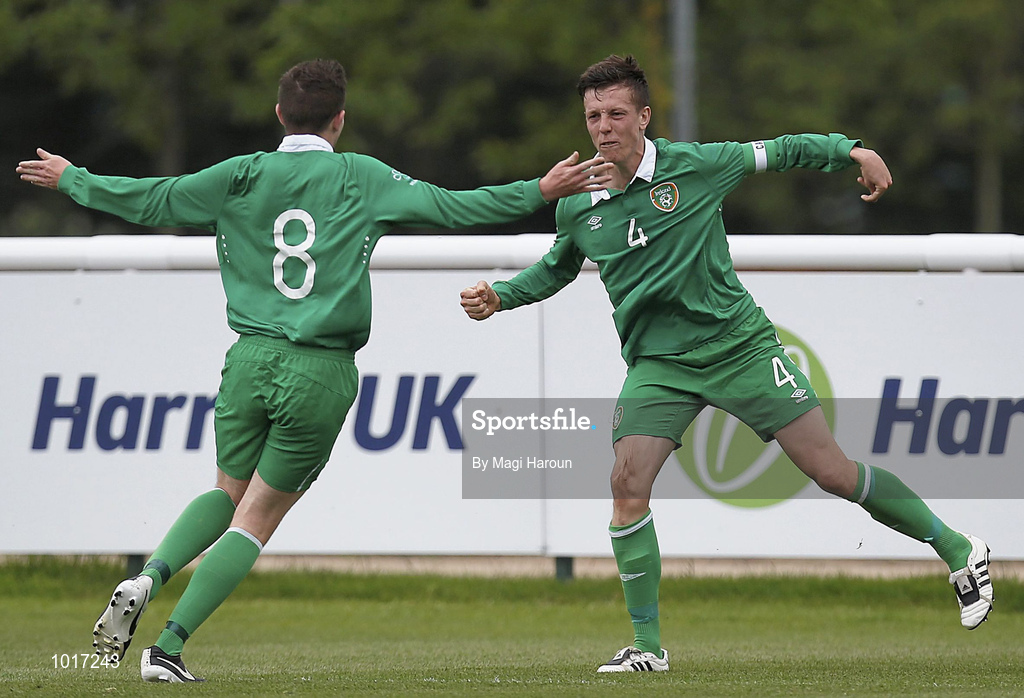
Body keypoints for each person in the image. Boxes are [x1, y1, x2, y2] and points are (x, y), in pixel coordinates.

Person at [17, 58, 612, 683]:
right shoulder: (360, 176)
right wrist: (539, 192)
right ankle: (167, 647)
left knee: (227, 490)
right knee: (258, 516)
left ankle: (147, 576)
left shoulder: (240, 174)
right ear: (341, 120)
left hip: (247, 359)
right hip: (320, 368)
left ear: (279, 115)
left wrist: (73, 179)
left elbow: (152, 198)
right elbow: (454, 208)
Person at [459, 54, 993, 673]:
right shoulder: (579, 201)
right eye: (593, 116)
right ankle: (647, 649)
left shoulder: (697, 167)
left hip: (738, 349)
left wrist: (852, 151)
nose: (602, 127)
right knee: (627, 484)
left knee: (832, 473)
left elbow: (784, 150)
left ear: (644, 117)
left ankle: (958, 548)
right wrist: (502, 296)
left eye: (615, 114)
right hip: (659, 364)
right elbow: (555, 267)